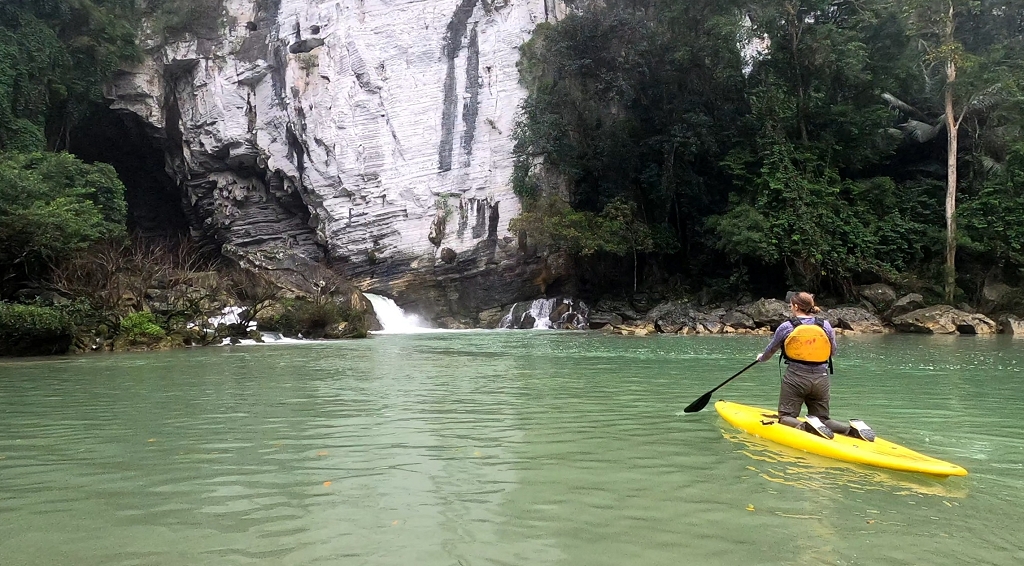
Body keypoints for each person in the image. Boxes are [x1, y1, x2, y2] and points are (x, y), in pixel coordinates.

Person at [754, 292, 875, 441]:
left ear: (796, 306)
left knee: (786, 416)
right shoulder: (825, 325)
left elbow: (770, 350)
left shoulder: (787, 326)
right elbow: (833, 351)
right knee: (823, 419)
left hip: (795, 378)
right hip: (821, 379)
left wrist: (761, 358)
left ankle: (806, 427)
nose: (791, 308)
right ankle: (852, 430)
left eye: (791, 305)